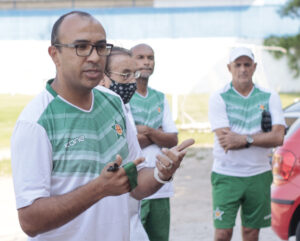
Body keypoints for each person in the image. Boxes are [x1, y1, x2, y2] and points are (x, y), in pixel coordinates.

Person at [10, 11, 194, 241]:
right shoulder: (35, 123)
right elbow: (30, 221)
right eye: (81, 47)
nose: (94, 57)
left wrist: (161, 173)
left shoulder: (113, 102)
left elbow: (134, 182)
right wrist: (99, 189)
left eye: (100, 47)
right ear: (54, 54)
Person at [208, 47, 286, 241]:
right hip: (227, 174)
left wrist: (245, 139)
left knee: (252, 233)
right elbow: (226, 141)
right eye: (238, 65)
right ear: (229, 68)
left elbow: (278, 137)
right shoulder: (219, 97)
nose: (243, 69)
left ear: (254, 67)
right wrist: (260, 137)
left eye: (247, 64)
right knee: (222, 233)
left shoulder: (269, 96)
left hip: (258, 174)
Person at [99, 46, 149, 241]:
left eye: (134, 75)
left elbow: (138, 171)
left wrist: (162, 174)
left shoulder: (122, 108)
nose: (133, 82)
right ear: (102, 77)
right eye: (125, 75)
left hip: (130, 223)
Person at [129, 43, 178, 241]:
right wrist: (157, 134)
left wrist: (146, 131)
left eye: (150, 57)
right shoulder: (123, 96)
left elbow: (173, 139)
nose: (146, 61)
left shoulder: (159, 97)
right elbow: (128, 143)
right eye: (140, 57)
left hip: (161, 186)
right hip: (135, 186)